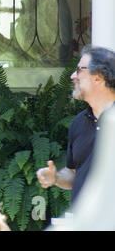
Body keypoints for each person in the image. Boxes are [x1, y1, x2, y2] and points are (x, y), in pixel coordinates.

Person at [37, 46, 115, 204]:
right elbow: (74, 173)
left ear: (98, 77)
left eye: (79, 70)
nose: (73, 76)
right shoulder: (78, 123)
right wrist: (56, 178)